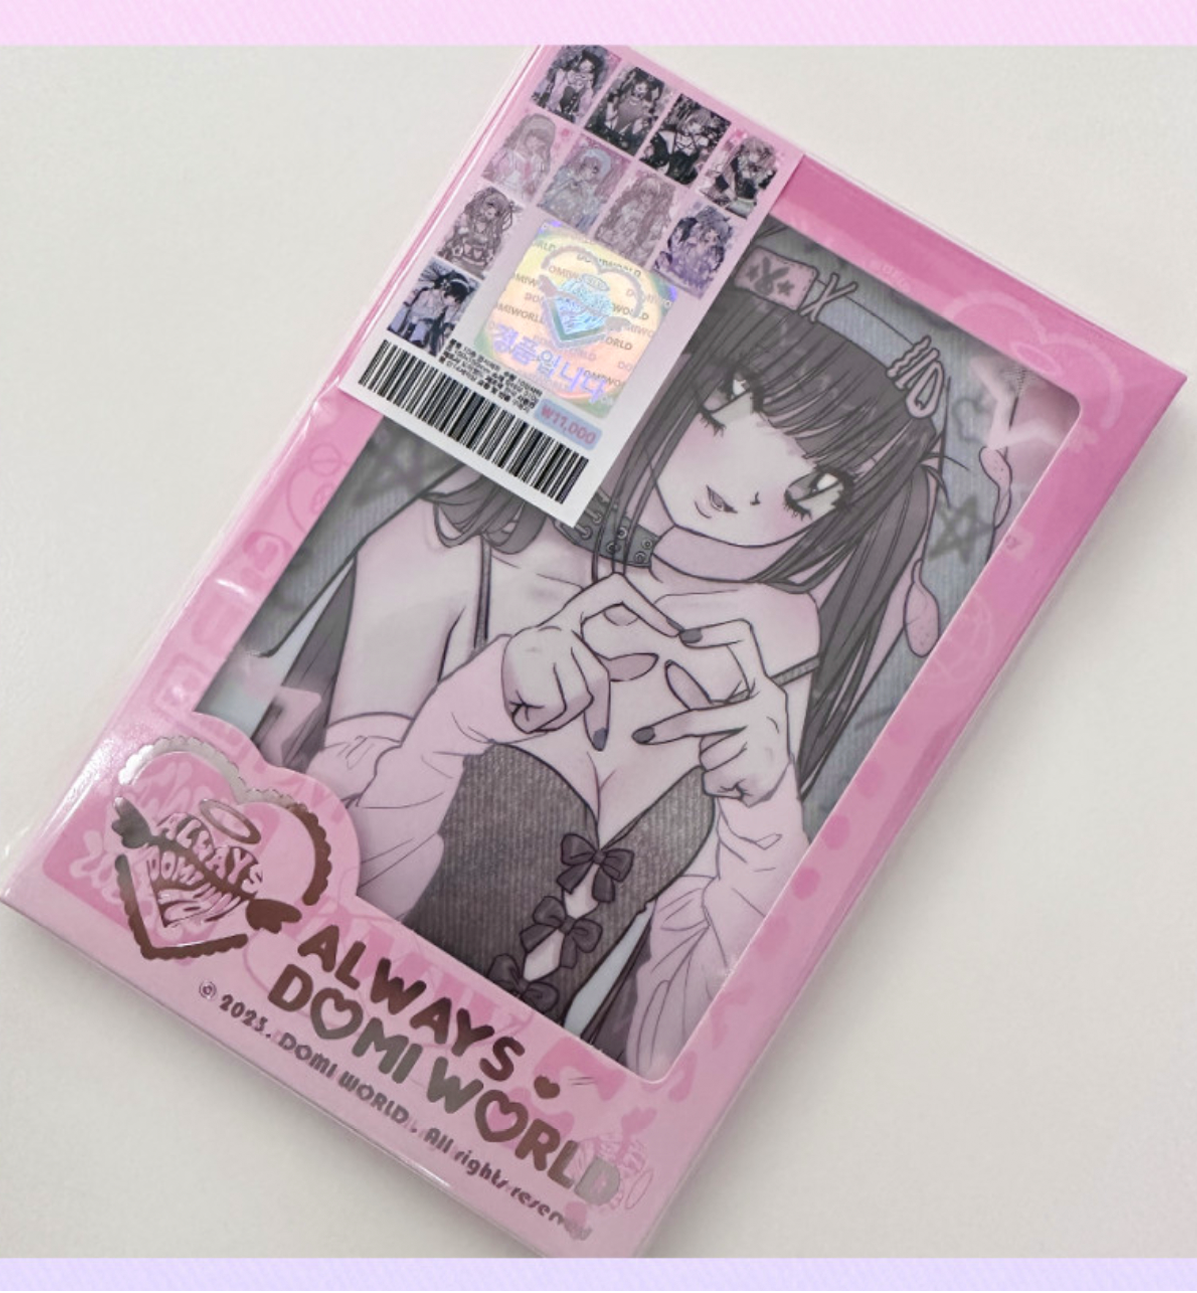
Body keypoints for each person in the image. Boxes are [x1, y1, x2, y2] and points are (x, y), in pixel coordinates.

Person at [304, 232, 948, 1078]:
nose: (749, 490)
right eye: (730, 399)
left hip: (523, 1101)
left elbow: (678, 1029)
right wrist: (464, 713)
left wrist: (762, 824)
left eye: (817, 488)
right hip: (323, 1010)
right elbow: (319, 882)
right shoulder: (449, 546)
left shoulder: (768, 641)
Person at [437, 187, 516, 276]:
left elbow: (493, 252)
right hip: (456, 260)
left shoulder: (494, 233)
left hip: (477, 268)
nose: (485, 213)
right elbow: (451, 238)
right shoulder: (466, 221)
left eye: (492, 213)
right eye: (485, 209)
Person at [483, 114, 555, 202]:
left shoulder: (537, 163)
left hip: (516, 198)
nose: (537, 144)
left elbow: (533, 187)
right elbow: (488, 170)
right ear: (526, 134)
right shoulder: (506, 153)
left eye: (542, 142)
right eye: (535, 138)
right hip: (495, 190)